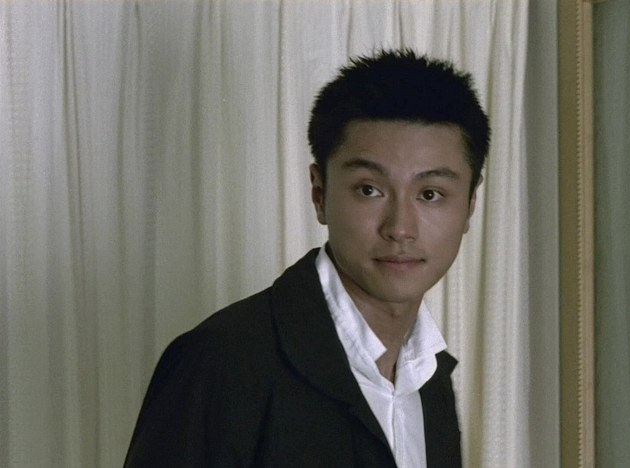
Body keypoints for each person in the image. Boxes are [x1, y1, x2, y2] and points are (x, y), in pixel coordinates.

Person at [124, 48, 490, 468]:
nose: (400, 228)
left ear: (469, 204)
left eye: (430, 194)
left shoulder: (430, 376)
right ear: (320, 193)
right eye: (369, 189)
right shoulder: (221, 362)